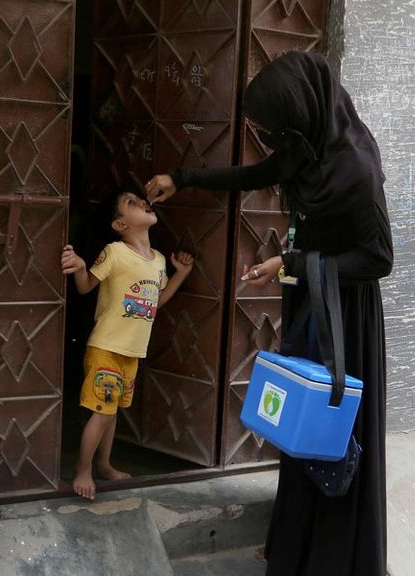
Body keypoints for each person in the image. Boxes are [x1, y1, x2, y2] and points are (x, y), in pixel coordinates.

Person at [144, 50, 393, 576]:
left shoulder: (356, 168)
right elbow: (254, 174)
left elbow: (378, 259)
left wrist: (295, 261)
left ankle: (330, 559)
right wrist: (182, 177)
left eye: (273, 126)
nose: (269, 136)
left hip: (344, 314)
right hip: (311, 295)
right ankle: (292, 544)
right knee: (298, 426)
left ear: (300, 113)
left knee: (329, 429)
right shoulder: (304, 148)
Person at [60, 191, 194, 499]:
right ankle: (83, 470)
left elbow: (156, 301)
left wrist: (181, 274)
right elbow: (84, 287)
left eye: (141, 200)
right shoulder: (115, 252)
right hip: (106, 346)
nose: (143, 203)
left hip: (132, 352)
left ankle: (104, 465)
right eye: (132, 203)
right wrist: (80, 265)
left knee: (112, 410)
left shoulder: (159, 260)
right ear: (121, 223)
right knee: (103, 412)